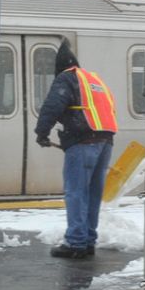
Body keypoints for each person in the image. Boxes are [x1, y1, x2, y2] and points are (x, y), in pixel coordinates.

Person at [34, 40, 118, 259]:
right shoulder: (93, 80)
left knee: (76, 192)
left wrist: (42, 132)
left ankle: (76, 243)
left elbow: (53, 106)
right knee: (92, 193)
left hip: (83, 143)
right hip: (105, 142)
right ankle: (88, 240)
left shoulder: (66, 78)